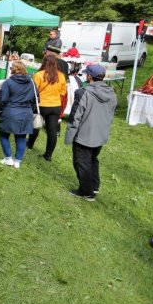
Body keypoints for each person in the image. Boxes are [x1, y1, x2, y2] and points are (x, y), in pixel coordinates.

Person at [64, 64, 117, 201]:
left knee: (81, 162)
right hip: (100, 135)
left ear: (89, 76)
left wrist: (69, 136)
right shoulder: (112, 93)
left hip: (84, 135)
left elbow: (75, 117)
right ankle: (94, 186)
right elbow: (111, 115)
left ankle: (86, 191)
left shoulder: (83, 92)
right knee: (92, 160)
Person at [27, 53, 67, 161]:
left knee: (36, 125)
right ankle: (48, 155)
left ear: (44, 63)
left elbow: (34, 91)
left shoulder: (39, 75)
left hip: (41, 105)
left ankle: (30, 144)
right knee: (52, 131)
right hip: (55, 106)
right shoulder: (61, 76)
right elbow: (63, 92)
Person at [0, 62, 36, 169]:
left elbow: (2, 100)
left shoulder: (8, 83)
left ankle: (8, 158)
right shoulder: (32, 83)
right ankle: (17, 161)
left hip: (10, 111)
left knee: (3, 134)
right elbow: (36, 99)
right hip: (26, 113)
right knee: (21, 137)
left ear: (13, 70)